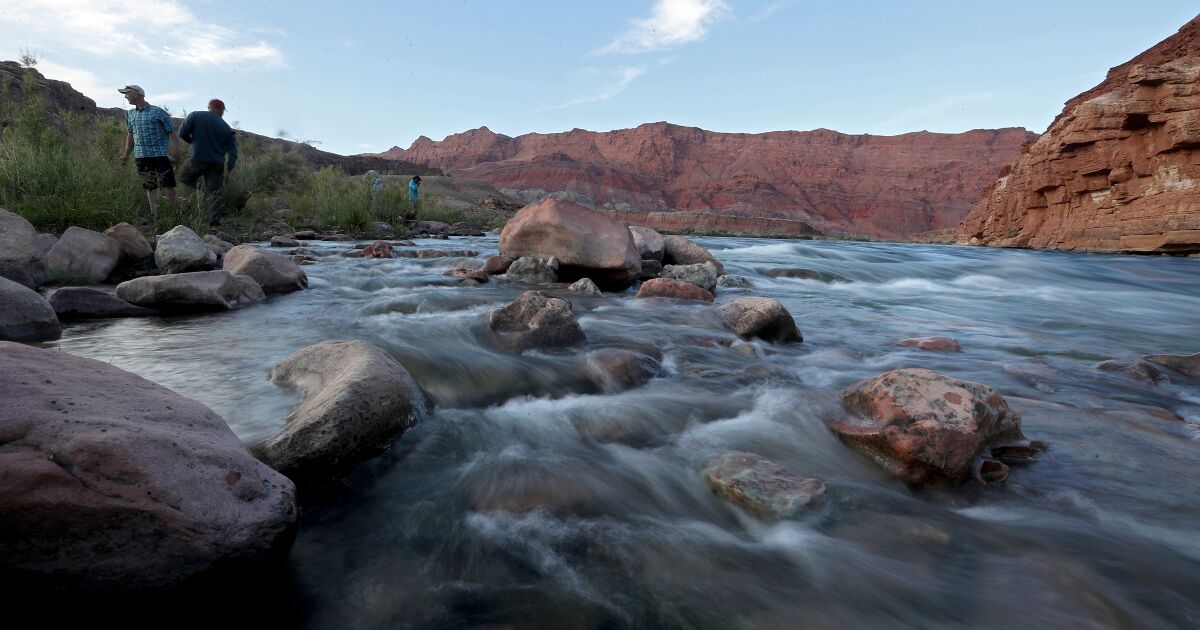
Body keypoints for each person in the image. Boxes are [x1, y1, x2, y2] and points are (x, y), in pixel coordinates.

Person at [117, 85, 180, 220]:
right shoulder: (130, 114)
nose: (125, 96)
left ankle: (177, 216)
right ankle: (155, 217)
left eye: (127, 93)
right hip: (140, 156)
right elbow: (131, 135)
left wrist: (175, 152)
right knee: (150, 187)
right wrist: (126, 154)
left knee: (169, 185)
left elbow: (172, 132)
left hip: (160, 155)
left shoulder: (158, 112)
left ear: (136, 94)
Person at [178, 99, 238, 230]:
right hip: (217, 164)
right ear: (221, 110)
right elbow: (233, 154)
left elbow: (181, 133)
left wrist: (192, 142)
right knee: (215, 193)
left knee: (184, 177)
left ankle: (200, 193)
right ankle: (214, 224)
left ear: (209, 107)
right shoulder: (228, 129)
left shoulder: (196, 115)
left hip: (197, 158)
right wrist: (229, 170)